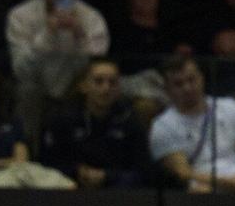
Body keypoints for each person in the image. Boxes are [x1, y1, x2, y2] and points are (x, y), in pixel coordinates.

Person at [3, 0, 109, 143]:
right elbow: (20, 68)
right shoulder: (20, 15)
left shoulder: (91, 17)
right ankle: (26, 149)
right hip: (37, 84)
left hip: (75, 85)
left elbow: (98, 62)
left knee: (97, 87)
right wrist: (47, 35)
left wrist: (79, 35)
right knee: (27, 90)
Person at [148, 55, 235, 194]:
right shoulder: (162, 125)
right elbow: (183, 173)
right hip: (202, 185)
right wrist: (225, 183)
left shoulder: (233, 108)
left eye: (192, 80)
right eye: (178, 84)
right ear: (167, 89)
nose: (187, 88)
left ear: (202, 78)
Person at [38, 60, 152, 190]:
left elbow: (143, 171)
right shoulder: (62, 119)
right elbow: (46, 165)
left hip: (117, 194)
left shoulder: (130, 121)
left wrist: (107, 176)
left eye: (112, 83)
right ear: (83, 86)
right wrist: (76, 171)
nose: (106, 88)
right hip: (67, 191)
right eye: (98, 81)